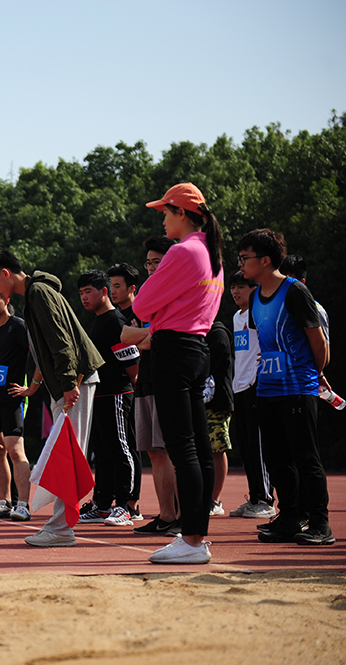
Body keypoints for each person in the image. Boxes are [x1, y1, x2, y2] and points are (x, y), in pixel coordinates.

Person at [0, 248, 103, 547]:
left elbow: (61, 342)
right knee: (64, 453)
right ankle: (60, 525)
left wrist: (67, 383)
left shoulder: (39, 295)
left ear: (5, 274)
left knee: (67, 455)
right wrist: (40, 386)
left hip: (74, 381)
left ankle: (61, 528)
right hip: (67, 382)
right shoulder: (37, 293)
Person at [132, 183, 225, 564]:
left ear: (182, 214)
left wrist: (156, 312)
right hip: (195, 350)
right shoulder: (210, 251)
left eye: (166, 212)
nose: (164, 219)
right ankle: (195, 537)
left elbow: (142, 304)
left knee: (182, 447)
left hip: (173, 351)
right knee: (198, 447)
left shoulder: (184, 251)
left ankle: (190, 540)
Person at [237, 229, 334, 546]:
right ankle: (290, 516)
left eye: (245, 258)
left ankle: (320, 524)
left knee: (305, 457)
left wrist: (310, 374)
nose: (240, 263)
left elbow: (319, 343)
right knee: (278, 459)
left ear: (265, 260)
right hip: (268, 389)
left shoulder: (294, 292)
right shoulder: (255, 299)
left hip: (297, 388)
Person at [76, 269, 141, 527]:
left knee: (119, 448)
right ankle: (102, 505)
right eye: (80, 293)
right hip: (99, 394)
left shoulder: (116, 321)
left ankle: (125, 506)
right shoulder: (98, 321)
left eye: (88, 291)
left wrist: (127, 388)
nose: (83, 297)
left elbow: (132, 364)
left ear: (104, 292)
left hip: (116, 393)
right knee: (101, 451)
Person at [129, 237, 182, 536]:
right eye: (148, 262)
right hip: (146, 380)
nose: (151, 267)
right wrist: (141, 335)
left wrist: (139, 335)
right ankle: (165, 515)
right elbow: (134, 336)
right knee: (154, 451)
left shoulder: (177, 293)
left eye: (156, 262)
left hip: (168, 379)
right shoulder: (148, 294)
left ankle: (183, 517)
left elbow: (152, 338)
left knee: (173, 449)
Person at [0, 283, 31, 522]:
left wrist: (32, 387)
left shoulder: (18, 327)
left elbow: (39, 354)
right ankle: (4, 502)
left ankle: (23, 504)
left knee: (15, 451)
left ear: (6, 300)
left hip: (12, 399)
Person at [228, 271, 276, 518]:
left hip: (257, 384)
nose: (236, 292)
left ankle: (267, 499)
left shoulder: (260, 312)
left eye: (241, 287)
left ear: (254, 288)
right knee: (246, 446)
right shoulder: (237, 317)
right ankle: (255, 496)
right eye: (233, 288)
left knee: (258, 445)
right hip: (240, 385)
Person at [204, 319, 234, 516]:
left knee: (217, 448)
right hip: (199, 401)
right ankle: (204, 497)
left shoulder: (217, 332)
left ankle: (215, 500)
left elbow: (209, 362)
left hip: (217, 402)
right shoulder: (196, 332)